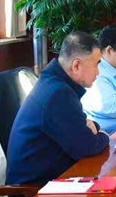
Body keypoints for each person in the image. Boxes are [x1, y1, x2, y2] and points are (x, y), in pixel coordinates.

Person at [6, 31, 110, 185]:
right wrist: (104, 135)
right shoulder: (58, 93)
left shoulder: (54, 84)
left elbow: (81, 134)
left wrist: (92, 127)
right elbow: (87, 147)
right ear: (76, 65)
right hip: (33, 192)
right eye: (96, 64)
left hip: (49, 181)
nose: (98, 72)